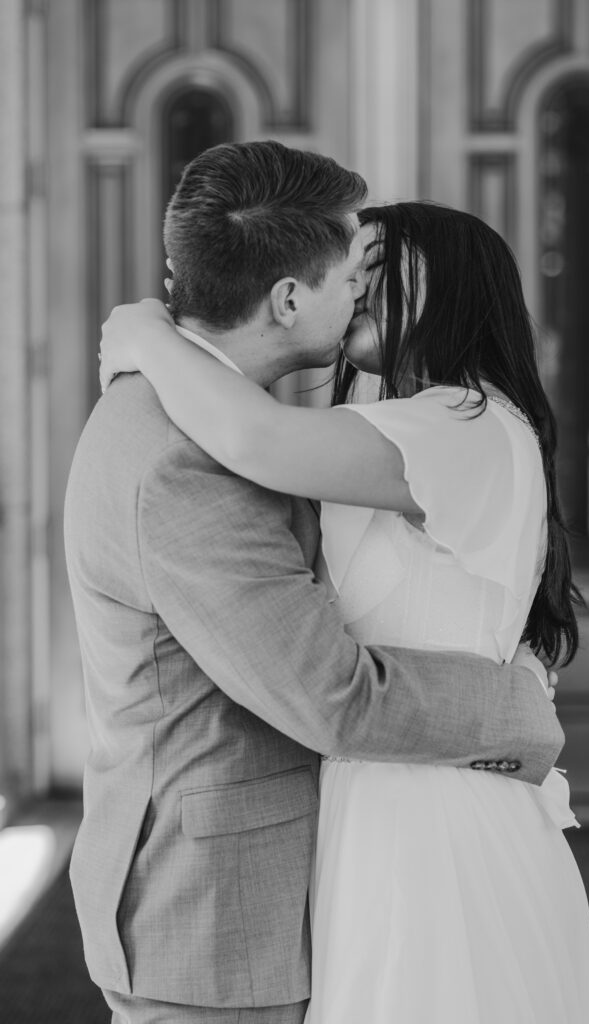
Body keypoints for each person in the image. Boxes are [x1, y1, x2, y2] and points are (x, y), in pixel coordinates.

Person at [65, 141, 563, 1024]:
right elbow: (331, 694)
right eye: (354, 270)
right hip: (216, 905)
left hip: (404, 820)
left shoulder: (449, 422)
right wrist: (515, 711)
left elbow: (264, 447)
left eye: (381, 272)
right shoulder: (186, 454)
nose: (362, 289)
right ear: (289, 298)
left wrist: (146, 333)